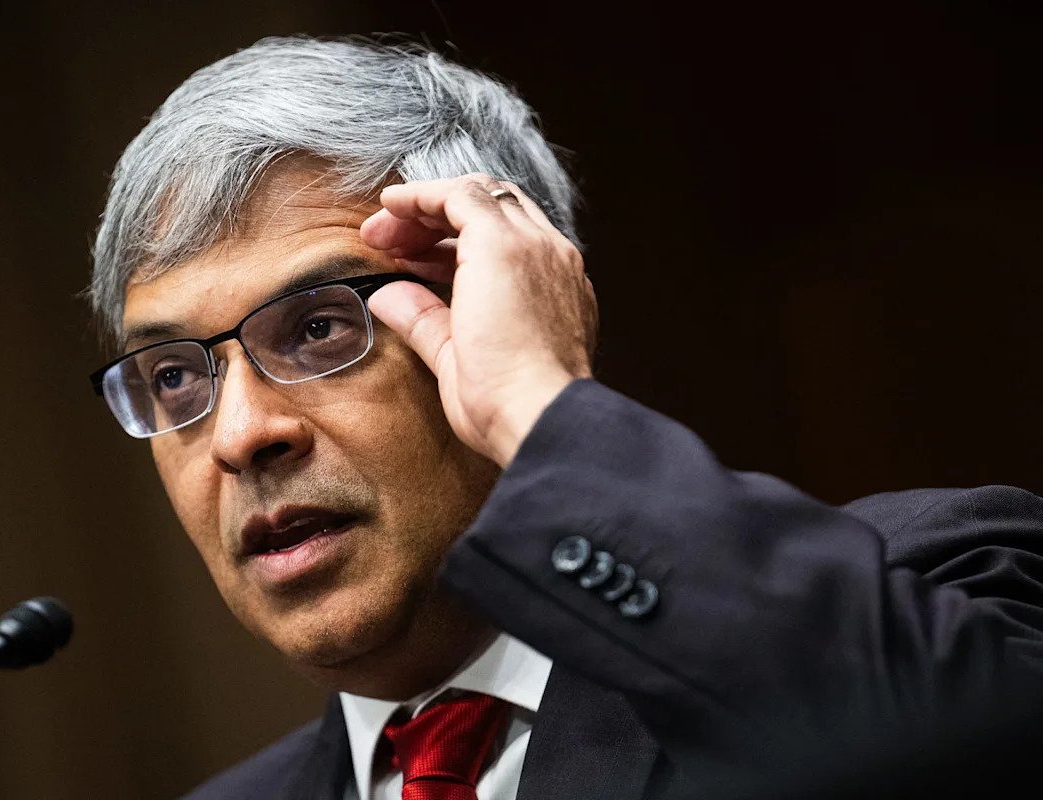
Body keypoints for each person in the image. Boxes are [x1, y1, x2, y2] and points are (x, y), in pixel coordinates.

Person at [85, 35, 1043, 799]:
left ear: (505, 301)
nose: (242, 436)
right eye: (173, 377)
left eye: (320, 327)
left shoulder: (932, 583)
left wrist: (542, 404)